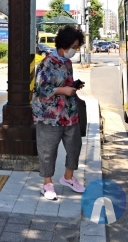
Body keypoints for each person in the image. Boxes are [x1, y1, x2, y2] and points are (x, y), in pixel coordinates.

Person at [32, 25, 86, 200]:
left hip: (69, 113)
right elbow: (40, 88)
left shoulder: (67, 62)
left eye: (77, 47)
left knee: (74, 147)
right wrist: (62, 91)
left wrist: (73, 87)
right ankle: (47, 184)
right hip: (49, 116)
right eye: (74, 47)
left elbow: (65, 83)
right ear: (64, 44)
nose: (74, 51)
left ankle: (68, 177)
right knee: (48, 150)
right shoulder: (46, 63)